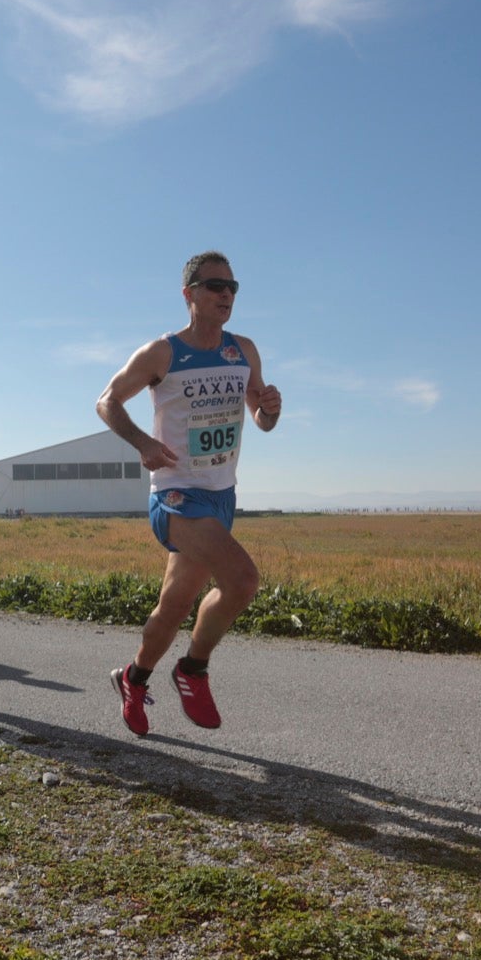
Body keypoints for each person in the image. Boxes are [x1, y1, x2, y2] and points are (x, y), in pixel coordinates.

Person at [95, 250, 282, 735]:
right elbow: (106, 401)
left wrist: (271, 410)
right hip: (175, 495)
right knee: (241, 581)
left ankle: (133, 679)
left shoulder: (243, 350)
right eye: (215, 286)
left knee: (175, 605)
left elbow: (261, 419)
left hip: (220, 496)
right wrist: (142, 442)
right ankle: (192, 670)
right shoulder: (163, 353)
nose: (226, 294)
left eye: (232, 287)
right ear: (189, 294)